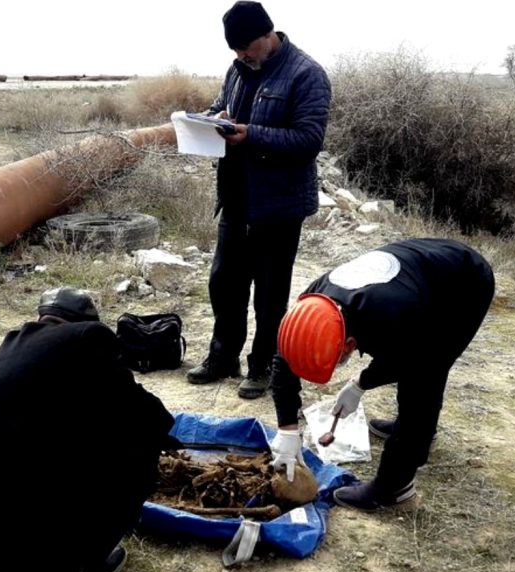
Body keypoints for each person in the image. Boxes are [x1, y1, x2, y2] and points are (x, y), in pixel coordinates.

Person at [0, 287, 176, 572]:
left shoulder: (13, 342)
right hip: (37, 544)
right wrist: (167, 434)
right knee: (137, 444)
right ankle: (83, 565)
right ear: (84, 320)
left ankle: (0, 567)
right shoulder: (87, 337)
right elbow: (138, 410)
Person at [268, 239, 495, 511]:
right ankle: (412, 438)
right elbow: (284, 358)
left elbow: (406, 360)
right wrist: (287, 429)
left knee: (424, 377)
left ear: (350, 344)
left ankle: (394, 489)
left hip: (462, 284)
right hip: (419, 273)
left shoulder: (390, 315)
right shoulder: (309, 309)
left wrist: (360, 383)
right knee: (412, 359)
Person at [186, 1, 332, 400]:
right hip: (235, 199)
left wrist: (251, 134)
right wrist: (209, 118)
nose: (240, 56)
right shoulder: (238, 69)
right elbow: (223, 108)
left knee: (269, 295)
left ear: (268, 35)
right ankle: (222, 357)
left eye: (246, 47)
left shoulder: (307, 74)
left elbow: (308, 141)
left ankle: (263, 364)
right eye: (234, 50)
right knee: (225, 284)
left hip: (279, 206)